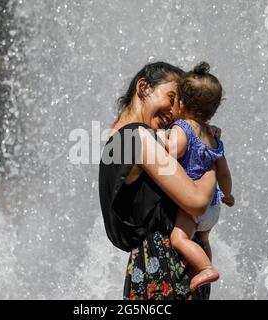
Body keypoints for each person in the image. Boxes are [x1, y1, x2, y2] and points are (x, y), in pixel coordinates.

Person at [99, 62, 220, 300]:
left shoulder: (118, 141)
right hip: (165, 274)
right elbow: (196, 201)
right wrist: (210, 155)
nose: (175, 112)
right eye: (171, 97)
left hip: (153, 270)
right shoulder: (138, 138)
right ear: (144, 88)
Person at [158, 62, 234, 292]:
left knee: (179, 239)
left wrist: (161, 136)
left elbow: (173, 152)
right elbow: (223, 171)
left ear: (181, 102)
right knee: (203, 240)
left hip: (192, 205)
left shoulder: (183, 129)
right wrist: (228, 194)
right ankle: (203, 269)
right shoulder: (213, 137)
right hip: (213, 206)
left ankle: (206, 269)